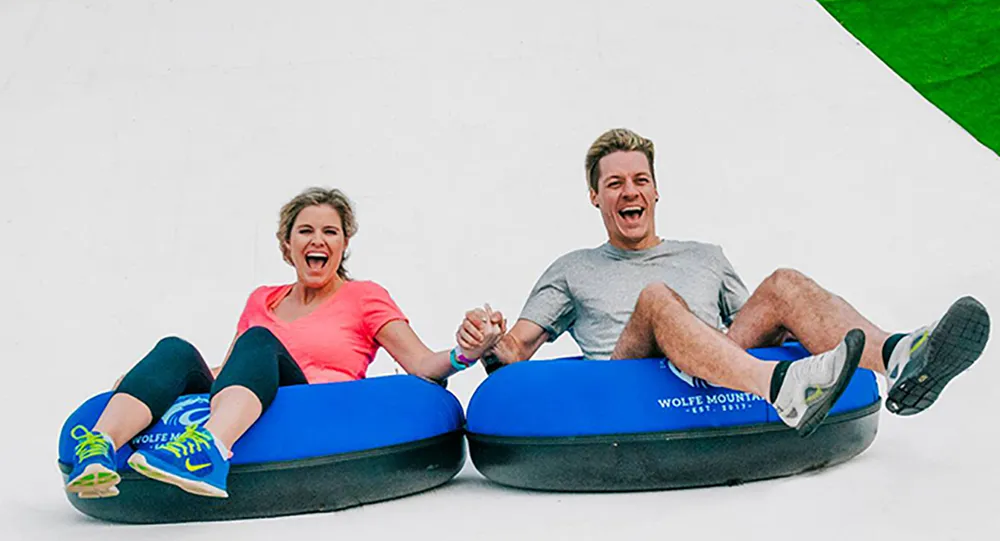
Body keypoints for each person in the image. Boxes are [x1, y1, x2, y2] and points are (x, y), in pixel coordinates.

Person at [459, 128, 990, 438]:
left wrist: (815, 334)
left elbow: (764, 327)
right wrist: (486, 343)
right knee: (656, 298)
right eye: (614, 183)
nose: (629, 192)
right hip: (632, 383)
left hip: (713, 367)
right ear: (594, 197)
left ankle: (901, 357)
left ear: (657, 191)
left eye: (639, 180)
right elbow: (514, 355)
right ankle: (783, 391)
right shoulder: (572, 267)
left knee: (783, 282)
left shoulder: (705, 256)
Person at [66, 187, 503, 500]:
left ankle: (208, 450)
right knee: (175, 348)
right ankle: (100, 449)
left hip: (308, 405)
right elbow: (234, 371)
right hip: (252, 393)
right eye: (306, 231)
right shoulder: (262, 299)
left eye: (330, 232)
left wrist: (468, 352)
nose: (318, 241)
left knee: (261, 339)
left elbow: (421, 362)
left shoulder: (363, 295)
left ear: (344, 244)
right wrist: (151, 380)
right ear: (287, 244)